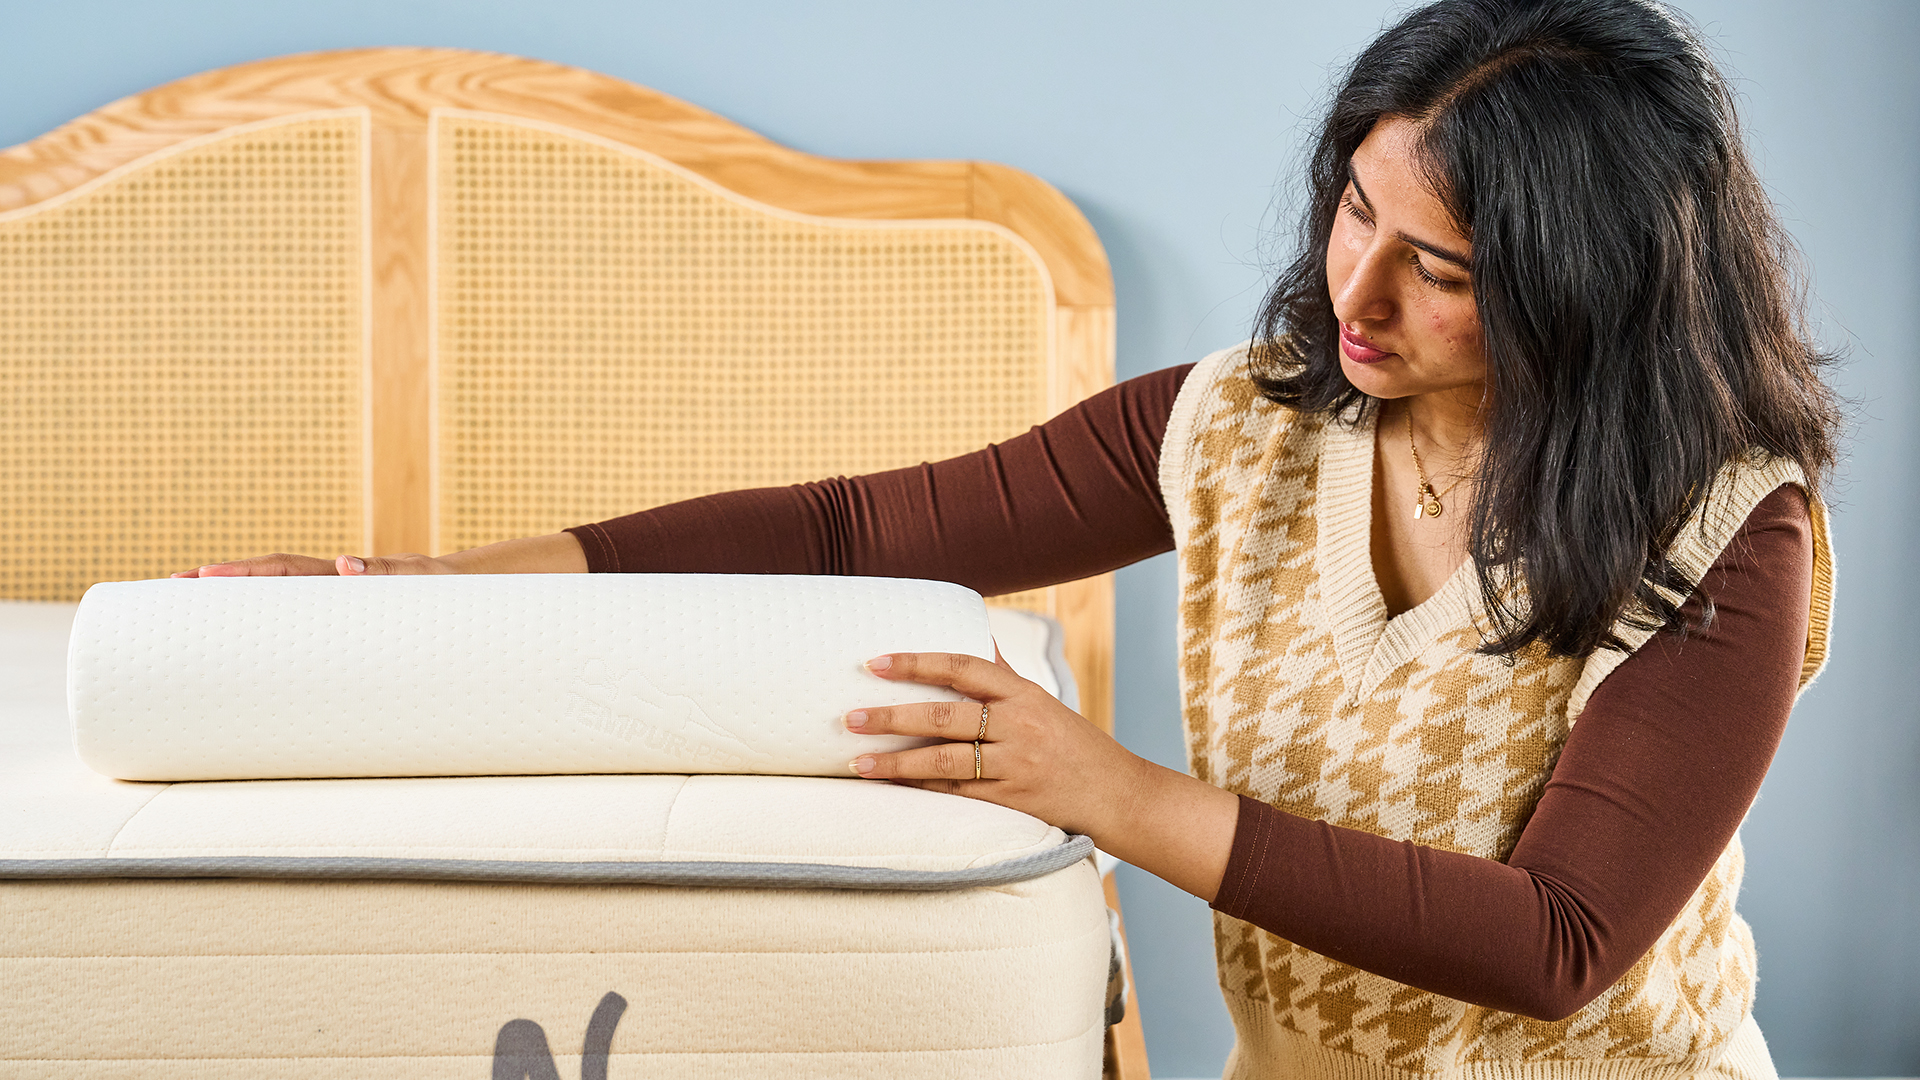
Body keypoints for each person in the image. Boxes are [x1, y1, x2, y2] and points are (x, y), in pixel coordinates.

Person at [176, 1, 1841, 1076]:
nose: (1357, 292)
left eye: (1443, 269)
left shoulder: (1727, 537)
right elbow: (858, 528)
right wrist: (428, 591)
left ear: (1585, 284)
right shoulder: (1246, 422)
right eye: (1353, 208)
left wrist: (1102, 791)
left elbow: (1557, 945)